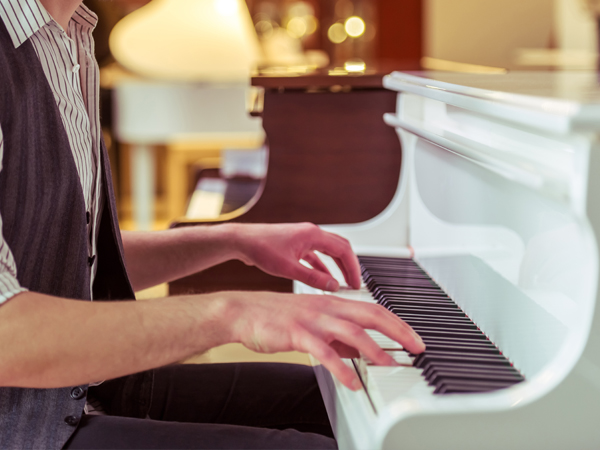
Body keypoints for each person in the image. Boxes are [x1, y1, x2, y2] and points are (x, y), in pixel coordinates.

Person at [0, 0, 425, 448]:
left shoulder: (69, 36)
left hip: (76, 390)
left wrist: (229, 241)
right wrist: (233, 313)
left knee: (344, 407)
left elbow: (60, 263)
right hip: (21, 422)